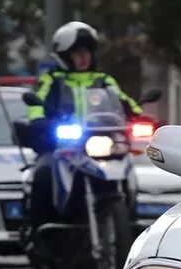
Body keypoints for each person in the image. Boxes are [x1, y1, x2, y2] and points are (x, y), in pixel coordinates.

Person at [25, 21, 143, 230]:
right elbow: (38, 102)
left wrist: (140, 116)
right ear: (64, 55)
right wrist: (38, 120)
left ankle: (129, 221)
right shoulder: (53, 80)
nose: (83, 57)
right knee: (43, 170)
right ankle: (39, 228)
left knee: (127, 171)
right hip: (64, 144)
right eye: (77, 53)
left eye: (87, 52)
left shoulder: (103, 80)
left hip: (101, 141)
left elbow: (123, 101)